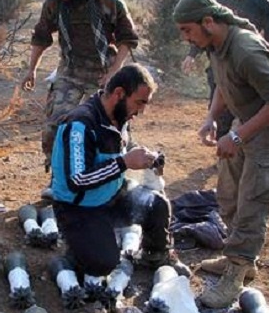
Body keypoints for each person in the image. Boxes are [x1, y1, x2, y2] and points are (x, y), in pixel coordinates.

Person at [173, 0, 269, 308]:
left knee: (252, 201)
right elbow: (222, 84)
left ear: (208, 21)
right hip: (247, 124)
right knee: (229, 195)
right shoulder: (216, 46)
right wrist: (211, 119)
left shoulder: (246, 49)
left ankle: (236, 273)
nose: (187, 38)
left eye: (188, 30)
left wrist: (237, 136)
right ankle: (240, 260)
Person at [49, 64, 188, 277]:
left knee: (156, 204)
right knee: (103, 264)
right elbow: (77, 180)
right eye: (140, 103)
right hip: (78, 207)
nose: (141, 111)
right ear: (119, 93)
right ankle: (74, 247)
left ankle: (155, 255)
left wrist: (146, 158)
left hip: (111, 195)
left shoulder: (119, 117)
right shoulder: (80, 124)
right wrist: (123, 163)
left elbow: (122, 151)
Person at [21, 0, 139, 198]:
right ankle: (59, 180)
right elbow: (41, 36)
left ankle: (117, 178)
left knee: (113, 126)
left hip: (104, 71)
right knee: (55, 125)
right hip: (70, 70)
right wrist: (31, 69)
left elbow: (128, 37)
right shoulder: (55, 1)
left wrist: (113, 72)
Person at [182, 0, 269, 139]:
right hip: (220, 65)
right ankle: (223, 149)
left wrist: (263, 61)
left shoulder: (259, 2)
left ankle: (239, 143)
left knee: (248, 110)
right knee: (220, 111)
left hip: (247, 65)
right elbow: (203, 31)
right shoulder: (219, 2)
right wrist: (192, 55)